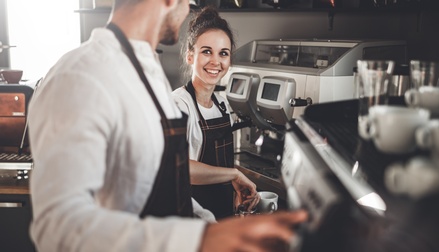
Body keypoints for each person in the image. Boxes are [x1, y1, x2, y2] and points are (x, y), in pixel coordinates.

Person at [27, 0, 307, 251]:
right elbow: (58, 230)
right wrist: (200, 240)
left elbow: (163, 186)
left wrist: (208, 226)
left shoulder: (148, 77)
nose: (187, 8)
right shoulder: (82, 75)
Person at [172, 6, 256, 220]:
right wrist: (235, 174)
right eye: (207, 51)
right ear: (190, 56)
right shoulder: (178, 104)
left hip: (222, 215)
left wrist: (236, 188)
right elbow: (181, 169)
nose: (215, 62)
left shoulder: (221, 103)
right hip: (191, 218)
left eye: (223, 54)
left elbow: (219, 166)